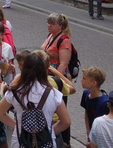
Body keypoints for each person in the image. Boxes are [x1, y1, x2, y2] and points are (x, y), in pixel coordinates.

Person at [0, 52, 70, 148]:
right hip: (45, 142)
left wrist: (16, 126)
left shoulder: (15, 91)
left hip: (20, 141)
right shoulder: (53, 93)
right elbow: (66, 122)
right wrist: (50, 131)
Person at [41, 13, 74, 146]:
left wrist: (56, 81)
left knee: (61, 109)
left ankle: (66, 141)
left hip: (58, 79)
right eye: (48, 23)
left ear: (60, 26)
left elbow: (63, 64)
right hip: (48, 75)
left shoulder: (64, 41)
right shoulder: (51, 36)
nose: (49, 26)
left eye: (52, 24)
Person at [80, 66, 110, 145]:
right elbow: (87, 112)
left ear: (94, 83)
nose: (81, 80)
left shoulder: (104, 103)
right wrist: (88, 131)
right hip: (91, 134)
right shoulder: (86, 93)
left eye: (84, 78)